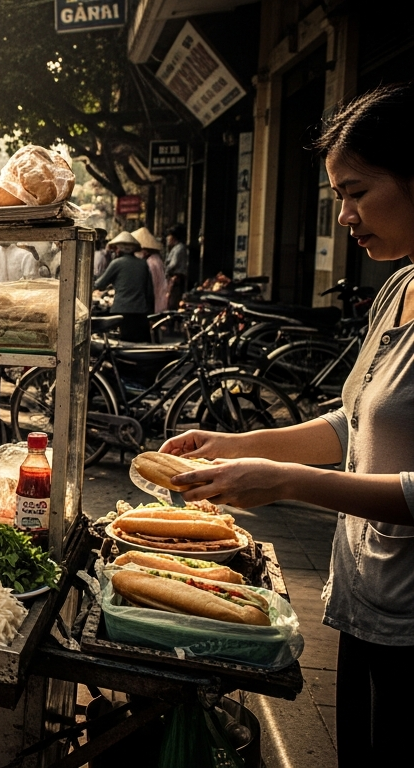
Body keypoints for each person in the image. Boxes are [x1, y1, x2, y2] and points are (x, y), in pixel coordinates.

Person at [159, 84, 414, 766]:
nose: (343, 217)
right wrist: (238, 443)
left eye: (357, 192)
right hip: (366, 601)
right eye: (337, 196)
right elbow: (349, 423)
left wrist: (285, 483)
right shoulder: (397, 288)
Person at [94, 231, 154, 342]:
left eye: (116, 248)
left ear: (120, 249)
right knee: (139, 347)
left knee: (122, 346)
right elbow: (149, 291)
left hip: (122, 311)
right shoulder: (143, 263)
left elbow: (100, 284)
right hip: (140, 312)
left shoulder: (117, 263)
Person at [132, 227, 169, 314]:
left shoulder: (150, 263)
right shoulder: (157, 259)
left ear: (145, 251)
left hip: (153, 302)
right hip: (160, 300)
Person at [165, 224, 189, 310]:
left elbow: (173, 264)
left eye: (169, 236)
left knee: (172, 303)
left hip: (176, 279)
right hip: (174, 279)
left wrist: (165, 271)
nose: (167, 238)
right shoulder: (175, 248)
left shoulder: (179, 248)